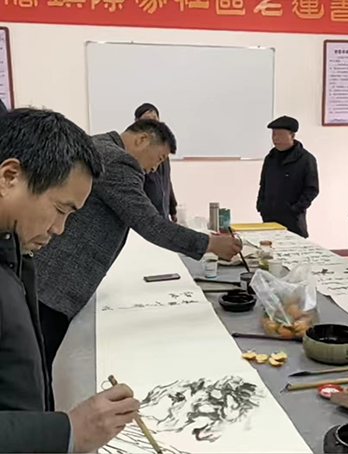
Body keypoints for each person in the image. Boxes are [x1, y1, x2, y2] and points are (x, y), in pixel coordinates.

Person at [35, 119, 242, 402]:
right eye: (159, 158)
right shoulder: (118, 162)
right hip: (55, 283)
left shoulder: (97, 144)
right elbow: (150, 224)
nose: (155, 168)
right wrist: (210, 244)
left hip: (45, 276)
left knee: (36, 364)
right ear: (142, 139)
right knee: (36, 369)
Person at [0, 108, 140, 452]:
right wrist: (66, 431)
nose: (59, 229)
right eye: (60, 209)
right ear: (9, 177)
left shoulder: (14, 255)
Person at [257, 116, 319, 238]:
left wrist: (295, 209)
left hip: (293, 220)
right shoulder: (270, 158)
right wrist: (261, 206)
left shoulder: (306, 159)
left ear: (292, 135)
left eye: (280, 135)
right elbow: (263, 185)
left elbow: (312, 189)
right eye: (273, 134)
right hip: (269, 218)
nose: (275, 138)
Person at [135, 103, 178, 222]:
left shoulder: (163, 153)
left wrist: (173, 209)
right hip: (145, 218)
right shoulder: (136, 154)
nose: (153, 124)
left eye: (155, 119)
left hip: (163, 214)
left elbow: (167, 181)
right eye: (147, 120)